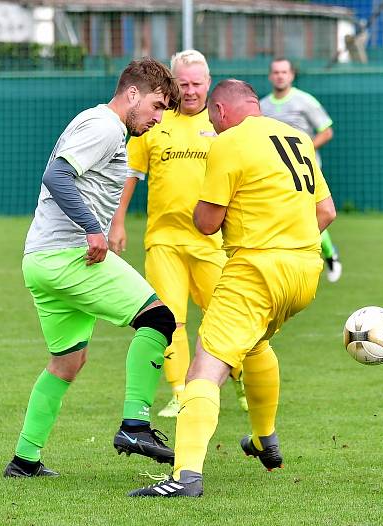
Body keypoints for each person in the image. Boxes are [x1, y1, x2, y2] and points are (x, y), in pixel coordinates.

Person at [128, 79, 337, 497]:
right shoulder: (297, 138)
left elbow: (206, 223)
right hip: (303, 273)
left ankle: (185, 476)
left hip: (256, 271)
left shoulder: (229, 142)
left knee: (205, 366)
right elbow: (327, 212)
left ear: (221, 112)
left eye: (213, 118)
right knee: (254, 345)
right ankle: (264, 439)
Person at [3, 57, 182, 478]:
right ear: (132, 93)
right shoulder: (104, 126)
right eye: (156, 106)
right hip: (69, 256)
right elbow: (57, 175)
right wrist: (93, 229)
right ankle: (135, 425)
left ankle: (24, 460)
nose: (157, 118)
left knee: (67, 362)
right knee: (159, 318)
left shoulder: (103, 125)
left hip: (42, 260)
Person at [109, 49, 247, 418]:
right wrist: (117, 221)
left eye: (196, 83)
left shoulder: (222, 125)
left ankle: (242, 380)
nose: (188, 91)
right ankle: (180, 391)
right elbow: (131, 175)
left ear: (208, 83)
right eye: (181, 83)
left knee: (228, 315)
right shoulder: (155, 122)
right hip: (164, 240)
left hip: (213, 241)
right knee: (172, 318)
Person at [260, 58, 342, 283]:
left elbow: (326, 130)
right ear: (270, 76)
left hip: (303, 170)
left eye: (284, 72)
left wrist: (302, 151)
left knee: (307, 214)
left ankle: (328, 253)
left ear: (292, 75)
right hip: (273, 172)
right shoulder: (262, 106)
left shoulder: (304, 101)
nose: (280, 76)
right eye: (276, 72)